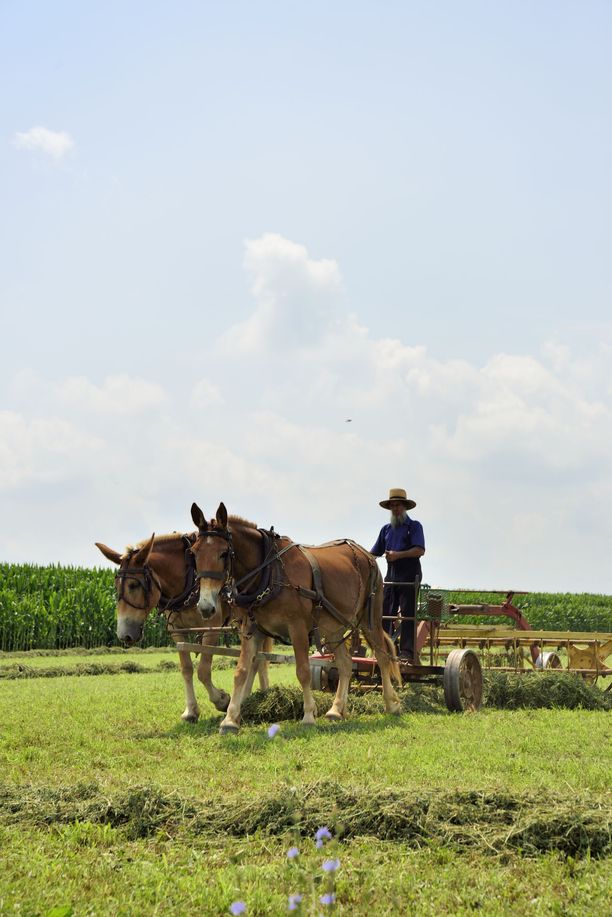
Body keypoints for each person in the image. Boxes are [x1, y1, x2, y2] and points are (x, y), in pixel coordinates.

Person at [370, 488, 425, 662]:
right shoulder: (385, 529)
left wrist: (397, 555)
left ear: (405, 507)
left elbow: (420, 550)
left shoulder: (414, 526)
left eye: (398, 505)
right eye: (392, 505)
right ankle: (385, 648)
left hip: (409, 575)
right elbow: (374, 553)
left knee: (408, 614)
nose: (395, 508)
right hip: (391, 577)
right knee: (385, 612)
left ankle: (406, 652)